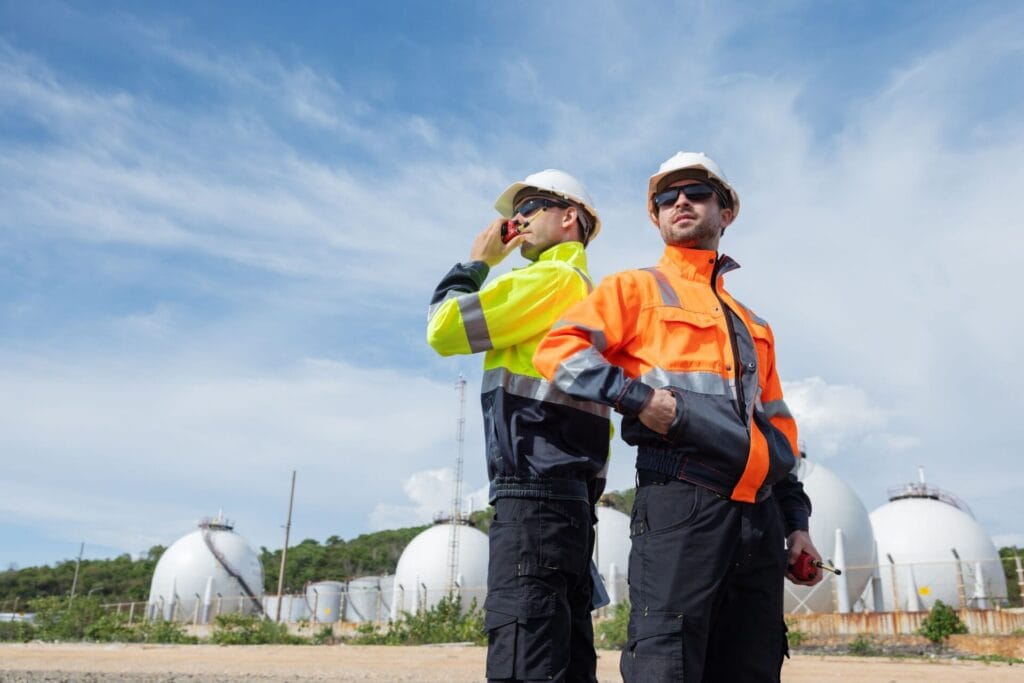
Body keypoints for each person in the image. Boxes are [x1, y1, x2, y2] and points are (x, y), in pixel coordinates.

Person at [533, 152, 823, 682]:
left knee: (753, 666)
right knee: (666, 666)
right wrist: (637, 398)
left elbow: (778, 429)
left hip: (759, 521)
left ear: (726, 210)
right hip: (681, 504)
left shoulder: (753, 324)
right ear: (657, 217)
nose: (680, 202)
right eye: (667, 197)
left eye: (696, 192)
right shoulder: (634, 290)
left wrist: (797, 524)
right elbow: (558, 352)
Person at [426, 170, 611, 683]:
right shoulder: (586, 293)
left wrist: (478, 263)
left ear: (569, 217)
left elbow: (442, 328)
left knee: (522, 663)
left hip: (533, 501)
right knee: (566, 663)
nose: (517, 218)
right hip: (568, 503)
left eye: (531, 205)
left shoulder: (550, 281)